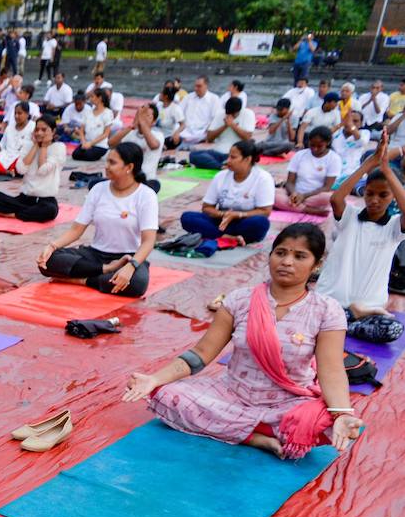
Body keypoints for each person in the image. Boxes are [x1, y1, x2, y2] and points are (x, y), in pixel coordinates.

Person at [124, 225, 363, 459]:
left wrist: (341, 413)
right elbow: (201, 353)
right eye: (281, 253)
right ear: (270, 255)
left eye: (300, 256)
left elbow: (330, 368)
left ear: (316, 264)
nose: (287, 262)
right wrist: (154, 379)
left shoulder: (326, 310)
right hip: (232, 393)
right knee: (167, 394)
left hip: (286, 401)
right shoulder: (239, 300)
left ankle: (239, 426)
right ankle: (256, 437)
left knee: (318, 423)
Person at [38, 142, 158, 297]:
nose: (106, 166)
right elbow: (76, 230)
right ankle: (105, 271)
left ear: (129, 167)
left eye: (112, 162)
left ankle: (83, 280)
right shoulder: (98, 189)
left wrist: (132, 266)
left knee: (137, 283)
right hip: (96, 256)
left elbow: (148, 241)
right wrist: (51, 247)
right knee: (47, 261)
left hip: (129, 256)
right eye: (107, 161)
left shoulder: (146, 195)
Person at [315, 140, 405, 335]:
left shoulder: (394, 226)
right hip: (330, 299)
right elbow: (335, 198)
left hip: (369, 307)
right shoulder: (350, 216)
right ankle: (343, 321)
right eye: (370, 193)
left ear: (393, 198)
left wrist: (388, 171)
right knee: (317, 314)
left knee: (393, 330)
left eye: (383, 195)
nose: (374, 200)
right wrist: (369, 164)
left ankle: (342, 322)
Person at [178, 140, 275, 246]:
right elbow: (206, 207)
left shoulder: (263, 178)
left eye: (233, 157)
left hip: (245, 222)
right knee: (187, 218)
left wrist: (238, 215)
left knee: (261, 223)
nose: (227, 161)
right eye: (229, 156)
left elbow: (265, 211)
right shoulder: (221, 176)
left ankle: (215, 234)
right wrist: (224, 214)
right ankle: (227, 237)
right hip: (221, 222)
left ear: (248, 159)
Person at [0, 115, 65, 222]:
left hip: (45, 200)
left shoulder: (59, 148)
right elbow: (20, 170)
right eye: (37, 130)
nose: (39, 133)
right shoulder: (28, 145)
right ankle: (26, 213)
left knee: (49, 210)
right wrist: (36, 146)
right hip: (25, 198)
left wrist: (44, 147)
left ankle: (12, 214)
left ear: (53, 131)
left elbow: (43, 170)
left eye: (44, 130)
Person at [277, 127, 342, 214]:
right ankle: (308, 210)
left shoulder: (334, 159)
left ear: (328, 143)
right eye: (312, 145)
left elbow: (327, 187)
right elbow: (289, 182)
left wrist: (303, 196)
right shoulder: (300, 155)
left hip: (315, 196)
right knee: (271, 194)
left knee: (330, 198)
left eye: (319, 146)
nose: (315, 149)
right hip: (295, 194)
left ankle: (293, 206)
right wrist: (294, 194)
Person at [190, 96, 256, 170]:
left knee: (238, 159)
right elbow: (209, 138)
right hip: (218, 152)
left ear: (239, 111)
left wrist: (232, 125)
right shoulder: (220, 114)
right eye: (228, 113)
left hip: (235, 154)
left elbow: (247, 138)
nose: (230, 116)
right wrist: (225, 126)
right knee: (193, 155)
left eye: (233, 114)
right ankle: (221, 166)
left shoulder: (248, 114)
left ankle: (220, 164)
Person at [109, 102, 164, 189]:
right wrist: (132, 126)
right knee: (95, 183)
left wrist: (142, 122)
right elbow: (111, 143)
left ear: (154, 121)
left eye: (147, 116)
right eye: (141, 115)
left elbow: (153, 145)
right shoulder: (130, 132)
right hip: (127, 178)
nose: (143, 118)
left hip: (147, 179)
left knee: (154, 186)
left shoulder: (158, 135)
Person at [0, 101, 35, 176]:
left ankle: (4, 170)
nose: (16, 116)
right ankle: (7, 172)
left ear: (27, 114)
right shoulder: (10, 127)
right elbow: (2, 144)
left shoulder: (33, 127)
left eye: (19, 113)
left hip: (21, 158)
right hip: (6, 155)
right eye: (15, 113)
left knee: (21, 166)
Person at [72, 89, 115, 162]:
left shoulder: (108, 113)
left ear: (100, 98)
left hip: (100, 145)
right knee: (75, 155)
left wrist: (91, 143)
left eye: (92, 97)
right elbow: (81, 130)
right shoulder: (88, 112)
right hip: (86, 143)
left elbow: (106, 134)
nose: (90, 99)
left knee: (88, 156)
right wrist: (83, 141)